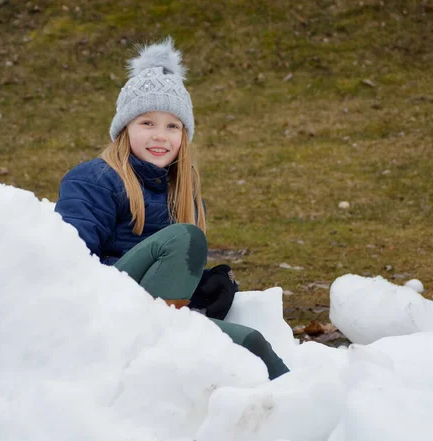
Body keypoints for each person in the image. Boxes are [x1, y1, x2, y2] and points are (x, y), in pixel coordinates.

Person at [54, 38, 289, 380]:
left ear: (184, 134)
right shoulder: (93, 179)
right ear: (124, 128)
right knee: (184, 239)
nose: (160, 136)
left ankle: (313, 405)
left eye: (172, 125)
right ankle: (167, 340)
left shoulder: (183, 191)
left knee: (252, 343)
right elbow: (72, 261)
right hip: (105, 314)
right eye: (147, 123)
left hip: (159, 317)